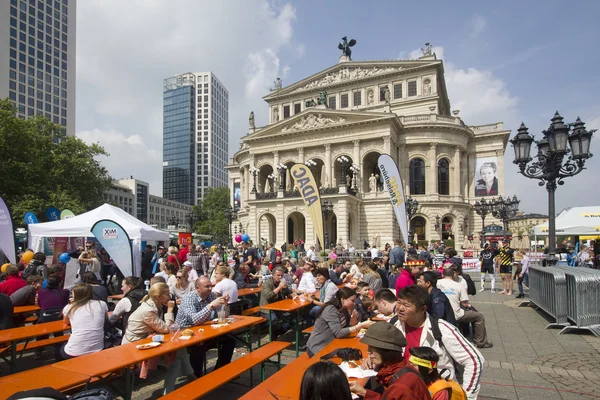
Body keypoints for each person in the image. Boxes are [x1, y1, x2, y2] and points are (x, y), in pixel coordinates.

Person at [123, 282, 194, 394]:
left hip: (148, 340)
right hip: (134, 346)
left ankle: (191, 378)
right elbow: (166, 329)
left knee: (181, 350)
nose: (170, 297)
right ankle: (169, 392)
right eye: (167, 294)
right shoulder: (148, 310)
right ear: (158, 297)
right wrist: (170, 310)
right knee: (176, 362)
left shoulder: (154, 305)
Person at [349, 322, 432, 400]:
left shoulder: (401, 388)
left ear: (386, 351)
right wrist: (364, 392)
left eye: (372, 348)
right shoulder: (403, 368)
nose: (368, 352)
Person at [176, 277, 232, 377]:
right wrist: (210, 306)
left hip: (203, 331)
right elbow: (194, 320)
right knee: (199, 346)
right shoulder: (189, 298)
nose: (210, 288)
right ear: (198, 288)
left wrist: (225, 304)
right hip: (185, 333)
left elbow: (224, 315)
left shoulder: (211, 295)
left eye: (211, 285)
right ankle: (197, 378)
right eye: (207, 286)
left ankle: (220, 371)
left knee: (229, 340)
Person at [307, 287, 374, 356]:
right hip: (319, 347)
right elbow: (338, 333)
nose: (354, 303)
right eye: (352, 301)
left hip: (333, 344)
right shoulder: (331, 310)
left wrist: (353, 321)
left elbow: (345, 329)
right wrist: (359, 326)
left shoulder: (343, 310)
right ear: (342, 299)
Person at [437, 267, 492, 349]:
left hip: (439, 313)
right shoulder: (459, 285)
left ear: (443, 274)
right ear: (453, 275)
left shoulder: (436, 283)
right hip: (455, 314)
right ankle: (480, 342)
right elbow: (464, 303)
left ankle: (465, 334)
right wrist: (468, 305)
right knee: (479, 316)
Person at [59, 283, 108, 360]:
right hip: (98, 347)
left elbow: (66, 322)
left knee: (59, 349)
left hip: (74, 351)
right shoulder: (101, 304)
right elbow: (106, 319)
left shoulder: (69, 307)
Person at [260, 267, 293, 340]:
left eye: (281, 275)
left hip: (279, 307)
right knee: (274, 320)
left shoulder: (282, 282)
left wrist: (293, 295)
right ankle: (273, 340)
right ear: (273, 275)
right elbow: (268, 296)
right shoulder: (267, 283)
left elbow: (289, 293)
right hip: (266, 309)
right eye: (278, 275)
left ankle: (278, 332)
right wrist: (279, 287)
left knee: (292, 318)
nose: (280, 277)